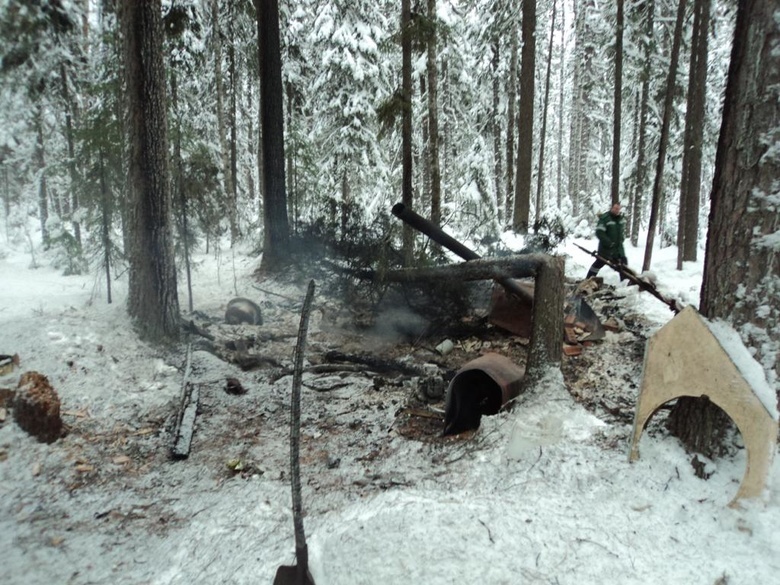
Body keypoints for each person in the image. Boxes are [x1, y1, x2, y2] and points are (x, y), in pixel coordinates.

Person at [585, 202, 628, 279]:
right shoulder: (605, 218)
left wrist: (622, 239)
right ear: (612, 208)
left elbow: (621, 232)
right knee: (598, 264)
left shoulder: (620, 219)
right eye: (615, 208)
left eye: (618, 209)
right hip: (606, 249)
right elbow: (599, 232)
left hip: (618, 249)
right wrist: (609, 243)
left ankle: (625, 282)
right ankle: (588, 279)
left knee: (623, 265)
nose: (616, 210)